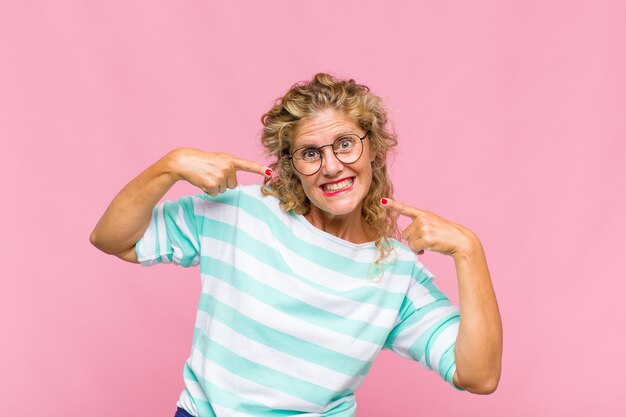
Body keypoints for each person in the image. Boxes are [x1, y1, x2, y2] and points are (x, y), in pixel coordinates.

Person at [90, 73, 502, 417]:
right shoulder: (238, 211)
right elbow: (112, 239)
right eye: (310, 153)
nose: (331, 166)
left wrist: (470, 250)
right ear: (291, 167)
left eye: (345, 143)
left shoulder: (396, 270)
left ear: (372, 148)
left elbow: (479, 376)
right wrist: (171, 165)